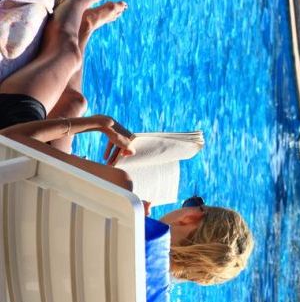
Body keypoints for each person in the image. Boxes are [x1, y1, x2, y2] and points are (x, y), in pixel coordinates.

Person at [0, 116, 254, 285]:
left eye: (191, 204)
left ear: (191, 217)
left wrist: (96, 123)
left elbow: (8, 142)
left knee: (68, 102)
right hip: (17, 290)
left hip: (10, 214)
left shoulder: (119, 188)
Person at [0, 0, 128, 152]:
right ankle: (85, 27)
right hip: (38, 153)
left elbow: (11, 138)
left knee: (69, 55)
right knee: (75, 102)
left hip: (10, 126)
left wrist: (97, 123)